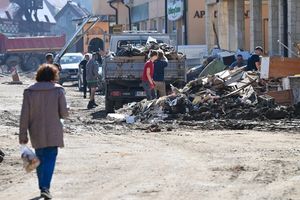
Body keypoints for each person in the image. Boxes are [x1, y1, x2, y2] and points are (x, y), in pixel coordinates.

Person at [19, 64, 69, 199]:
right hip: (53, 130)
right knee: (50, 157)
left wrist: (22, 134)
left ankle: (43, 187)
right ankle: (45, 187)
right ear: (53, 76)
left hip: (36, 131)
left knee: (39, 157)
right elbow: (64, 114)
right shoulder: (58, 91)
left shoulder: (29, 91)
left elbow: (24, 115)